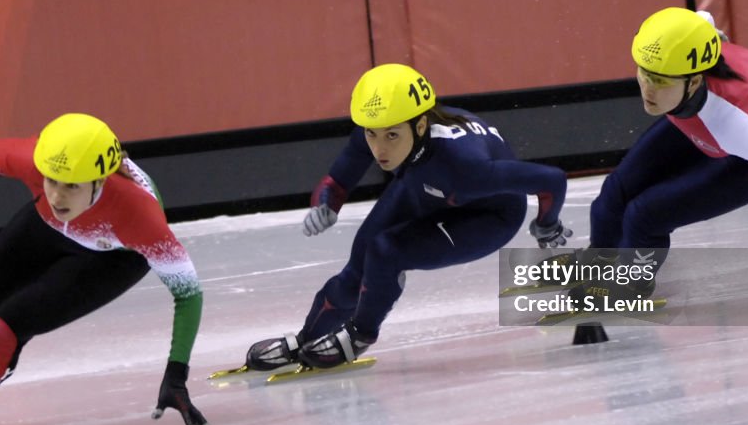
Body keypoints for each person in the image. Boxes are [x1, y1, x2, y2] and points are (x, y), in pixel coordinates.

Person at [0, 113, 212, 425]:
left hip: (111, 258)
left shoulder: (139, 217)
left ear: (99, 180)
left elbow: (188, 294)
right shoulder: (36, 164)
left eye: (71, 185)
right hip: (49, 225)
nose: (57, 195)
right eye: (51, 179)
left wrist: (176, 373)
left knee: (4, 330)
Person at [245, 63, 573, 371]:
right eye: (371, 134)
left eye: (391, 136)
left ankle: (359, 335)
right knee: (356, 271)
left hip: (487, 215)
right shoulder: (386, 128)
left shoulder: (465, 167)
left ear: (419, 125)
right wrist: (326, 204)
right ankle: (307, 339)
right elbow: (339, 179)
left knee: (387, 252)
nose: (379, 149)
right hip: (424, 186)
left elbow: (552, 179)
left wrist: (546, 225)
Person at [582, 7, 748, 305]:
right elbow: (704, 18)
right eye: (644, 74)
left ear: (695, 81)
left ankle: (630, 287)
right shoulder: (684, 64)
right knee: (615, 192)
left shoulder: (735, 124)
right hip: (698, 113)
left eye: (660, 81)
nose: (647, 89)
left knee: (645, 215)